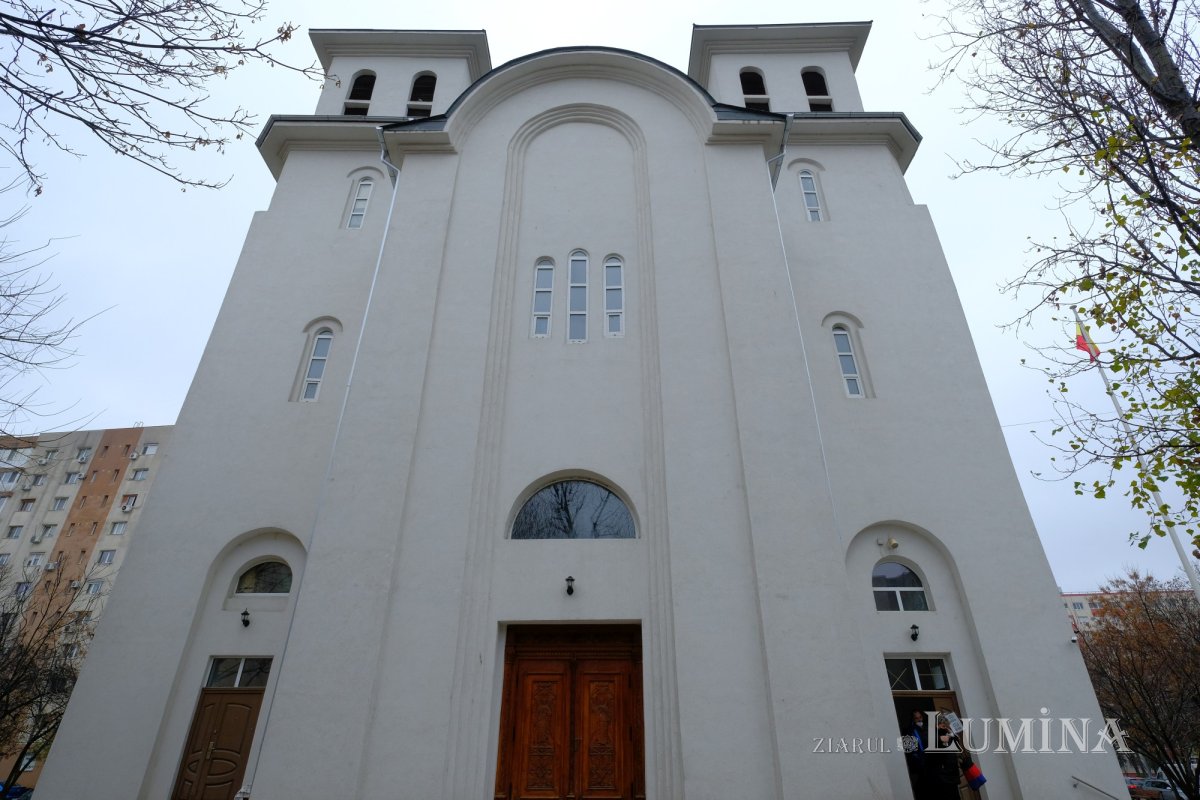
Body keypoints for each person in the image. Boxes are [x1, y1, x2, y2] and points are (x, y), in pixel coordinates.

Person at [921, 720, 964, 800]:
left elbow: (957, 745)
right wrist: (939, 738)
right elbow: (926, 741)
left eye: (946, 724)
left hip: (952, 775)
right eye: (943, 724)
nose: (945, 726)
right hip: (941, 777)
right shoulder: (930, 732)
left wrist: (951, 732)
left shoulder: (948, 732)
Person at [904, 710, 928, 796]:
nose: (919, 720)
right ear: (913, 719)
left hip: (932, 762)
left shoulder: (927, 727)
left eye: (920, 717)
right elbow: (908, 750)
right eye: (916, 718)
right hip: (920, 764)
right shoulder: (909, 731)